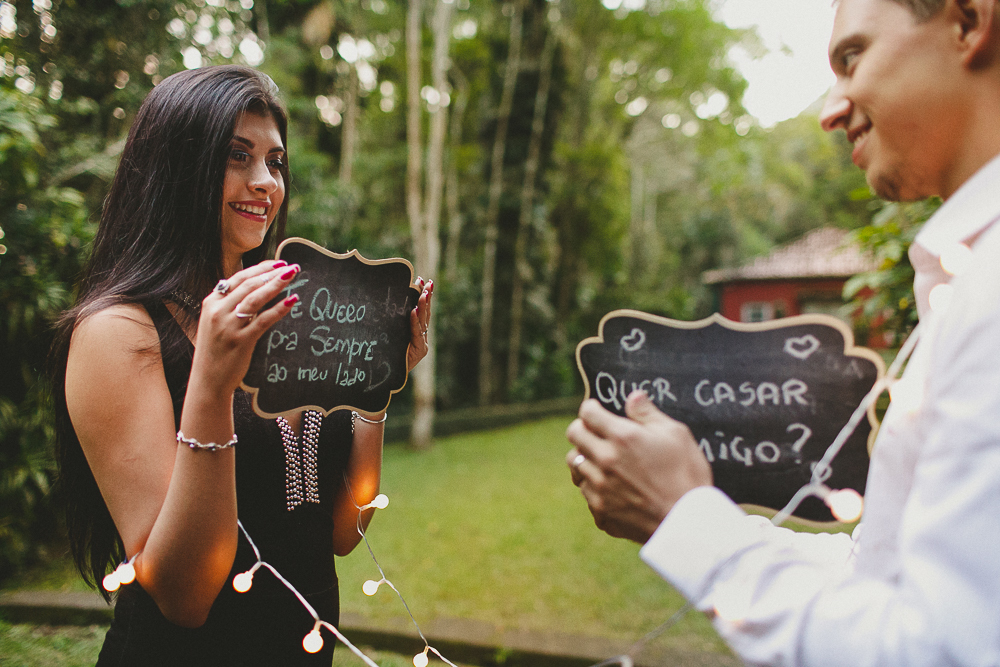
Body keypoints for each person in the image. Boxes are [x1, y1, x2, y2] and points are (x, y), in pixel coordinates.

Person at [566, 0, 1000, 664]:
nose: (831, 109)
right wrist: (685, 507)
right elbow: (886, 576)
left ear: (968, 21)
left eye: (852, 57)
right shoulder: (968, 275)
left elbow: (938, 650)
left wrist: (687, 521)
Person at [49, 65, 433, 666]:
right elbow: (183, 595)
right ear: (176, 167)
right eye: (237, 156)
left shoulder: (288, 315)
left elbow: (339, 534)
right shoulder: (118, 333)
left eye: (276, 163)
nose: (265, 183)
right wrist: (211, 383)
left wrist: (374, 386)